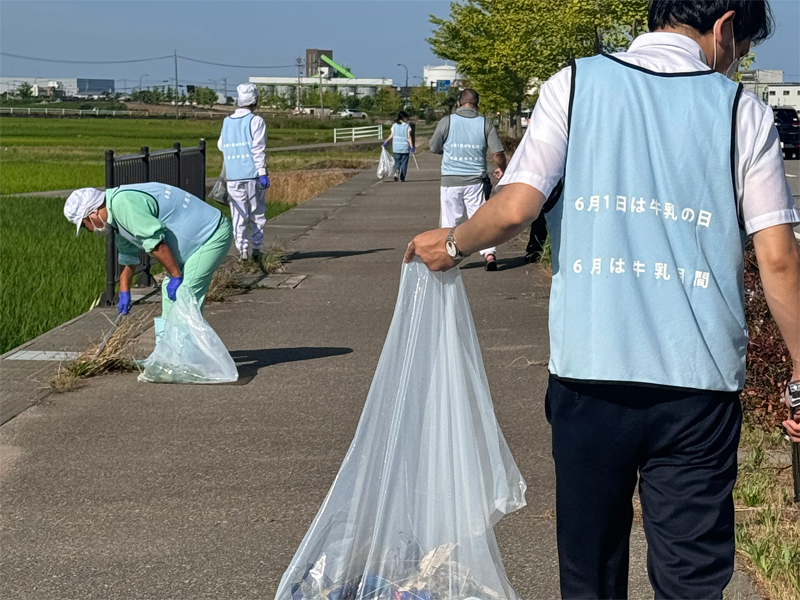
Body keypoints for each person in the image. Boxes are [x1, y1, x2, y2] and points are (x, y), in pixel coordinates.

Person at [405, 1, 800, 598]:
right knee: (691, 577)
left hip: (590, 371)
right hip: (699, 385)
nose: (735, 64)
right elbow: (778, 257)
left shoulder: (575, 84)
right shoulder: (741, 111)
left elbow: (515, 208)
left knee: (590, 571)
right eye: (740, 49)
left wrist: (453, 243)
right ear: (723, 27)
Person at [64, 184, 233, 328]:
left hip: (210, 235)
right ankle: (165, 356)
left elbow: (155, 243)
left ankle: (185, 358)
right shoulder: (116, 217)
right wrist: (124, 291)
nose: (90, 230)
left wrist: (175, 276)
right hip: (195, 243)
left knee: (185, 295)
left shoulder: (122, 204)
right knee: (169, 297)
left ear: (92, 213)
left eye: (86, 225)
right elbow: (127, 257)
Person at [429, 88, 507, 271]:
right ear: (477, 105)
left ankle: (449, 257)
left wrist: (447, 151)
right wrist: (502, 168)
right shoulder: (485, 123)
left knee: (450, 220)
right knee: (480, 219)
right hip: (476, 181)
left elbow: (434, 147)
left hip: (450, 179)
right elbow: (498, 153)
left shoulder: (446, 121)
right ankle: (489, 254)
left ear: (458, 103)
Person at [219, 82, 269, 262]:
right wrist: (262, 172)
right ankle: (256, 248)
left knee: (238, 213)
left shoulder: (226, 122)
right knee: (257, 212)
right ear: (255, 100)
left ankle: (242, 251)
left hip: (233, 176)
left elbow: (220, 145)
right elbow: (258, 149)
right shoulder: (256, 121)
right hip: (253, 175)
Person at [382, 111, 414, 182]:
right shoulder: (407, 126)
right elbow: (409, 137)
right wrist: (411, 147)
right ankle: (402, 177)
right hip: (405, 147)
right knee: (404, 163)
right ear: (403, 118)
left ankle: (397, 171)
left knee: (397, 162)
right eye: (406, 117)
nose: (406, 118)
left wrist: (386, 141)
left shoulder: (394, 125)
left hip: (396, 147)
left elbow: (392, 135)